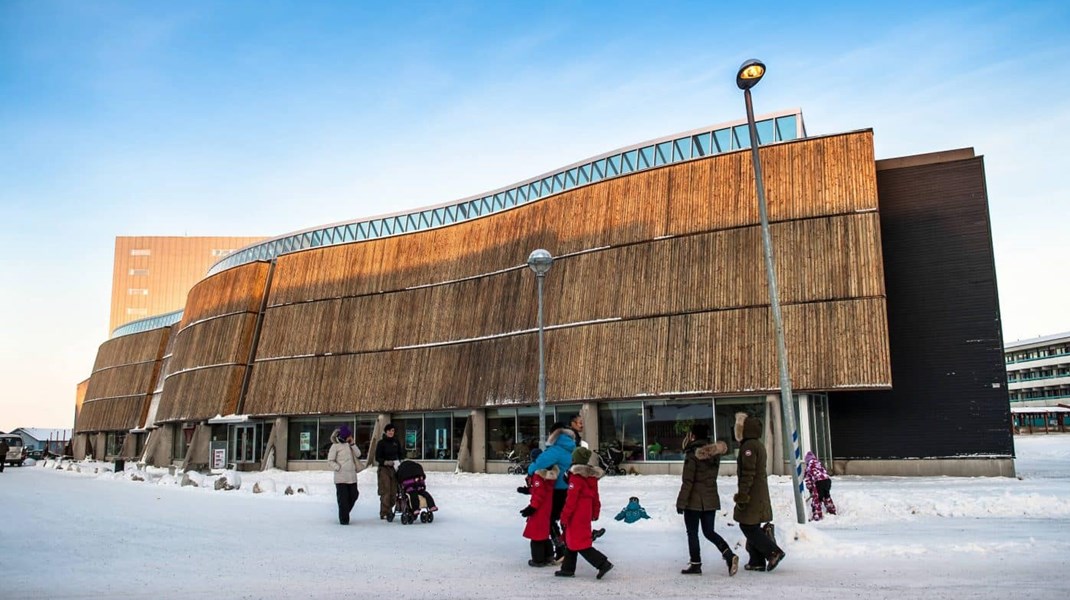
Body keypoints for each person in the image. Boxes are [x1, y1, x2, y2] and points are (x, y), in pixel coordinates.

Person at [676, 423, 738, 576]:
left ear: (694, 436)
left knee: (692, 532)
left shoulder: (692, 455)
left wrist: (681, 502)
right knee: (709, 531)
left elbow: (688, 481)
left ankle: (696, 564)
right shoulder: (714, 455)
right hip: (710, 499)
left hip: (693, 501)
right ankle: (729, 555)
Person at [733, 416, 786, 572]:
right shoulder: (758, 445)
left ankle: (773, 552)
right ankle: (756, 561)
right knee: (752, 525)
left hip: (752, 494)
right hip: (758, 492)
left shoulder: (748, 447)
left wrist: (743, 494)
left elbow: (748, 473)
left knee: (748, 525)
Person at [555, 447, 613, 579]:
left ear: (575, 460)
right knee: (571, 541)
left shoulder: (576, 477)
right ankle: (567, 569)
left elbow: (571, 500)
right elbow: (595, 497)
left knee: (580, 543)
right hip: (585, 514)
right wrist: (595, 512)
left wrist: (564, 516)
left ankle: (603, 563)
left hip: (576, 515)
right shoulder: (591, 477)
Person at [527, 423, 576, 561]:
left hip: (556, 490)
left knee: (548, 519)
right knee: (563, 518)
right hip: (568, 488)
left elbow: (537, 465)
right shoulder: (572, 448)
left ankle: (560, 548)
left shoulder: (555, 451)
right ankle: (567, 545)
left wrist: (530, 470)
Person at [520, 463, 560, 567]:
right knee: (544, 534)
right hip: (547, 509)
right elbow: (542, 490)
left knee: (536, 536)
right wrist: (528, 490)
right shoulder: (549, 477)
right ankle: (549, 556)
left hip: (539, 510)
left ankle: (538, 560)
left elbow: (539, 494)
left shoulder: (538, 476)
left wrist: (531, 508)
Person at [327, 425, 363, 525]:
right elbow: (330, 461)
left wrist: (353, 444)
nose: (349, 436)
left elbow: (359, 454)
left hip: (352, 477)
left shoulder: (350, 444)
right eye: (348, 435)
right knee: (343, 499)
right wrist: (338, 467)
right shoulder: (335, 446)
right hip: (341, 477)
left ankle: (344, 512)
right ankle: (344, 519)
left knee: (354, 495)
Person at [375, 423, 404, 521]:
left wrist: (400, 461)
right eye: (389, 431)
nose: (391, 433)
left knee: (393, 491)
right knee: (385, 490)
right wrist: (385, 462)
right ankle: (384, 512)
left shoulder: (396, 442)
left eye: (393, 431)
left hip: (395, 468)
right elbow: (377, 457)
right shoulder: (381, 443)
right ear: (386, 432)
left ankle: (390, 509)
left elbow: (400, 454)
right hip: (384, 469)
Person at [804, 451, 837, 521]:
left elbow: (808, 480)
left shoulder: (809, 466)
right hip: (827, 481)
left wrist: (810, 488)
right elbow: (824, 473)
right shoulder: (819, 465)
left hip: (819, 482)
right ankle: (832, 510)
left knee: (817, 499)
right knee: (826, 496)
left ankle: (817, 515)